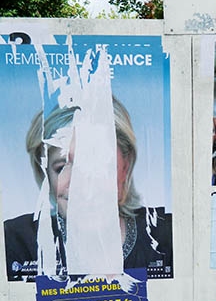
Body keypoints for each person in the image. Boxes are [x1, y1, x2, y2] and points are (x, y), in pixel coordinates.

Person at [5, 96, 172, 282]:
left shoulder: (167, 234)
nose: (80, 183)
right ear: (47, 176)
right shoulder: (17, 241)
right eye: (62, 167)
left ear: (126, 166)